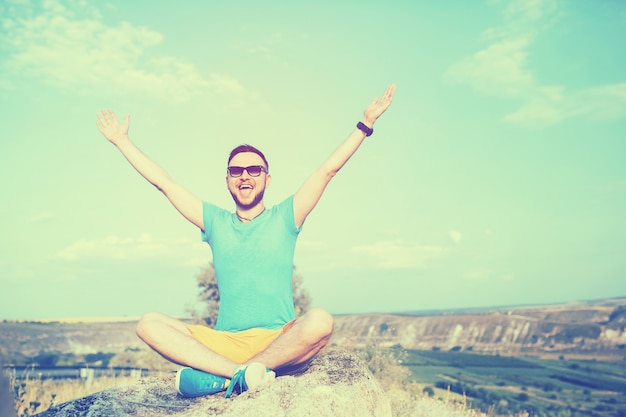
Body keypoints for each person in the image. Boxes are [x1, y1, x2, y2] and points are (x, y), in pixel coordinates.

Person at [95, 83, 396, 398]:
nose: (245, 176)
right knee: (148, 324)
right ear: (227, 181)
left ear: (267, 178)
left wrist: (366, 124)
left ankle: (229, 378)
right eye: (236, 171)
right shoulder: (215, 222)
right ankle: (239, 375)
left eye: (254, 169)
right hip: (224, 344)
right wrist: (121, 141)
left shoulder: (285, 217)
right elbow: (164, 184)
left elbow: (326, 171)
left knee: (320, 320)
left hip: (278, 342)